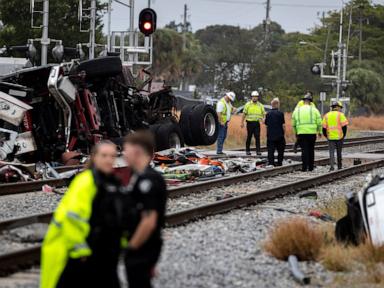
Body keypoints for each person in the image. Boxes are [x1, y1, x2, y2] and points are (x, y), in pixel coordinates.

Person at [41, 141, 122, 288]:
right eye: (104, 155)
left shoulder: (111, 182)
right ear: (95, 157)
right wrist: (81, 251)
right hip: (78, 254)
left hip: (102, 253)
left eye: (112, 156)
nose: (109, 160)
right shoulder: (85, 182)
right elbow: (72, 218)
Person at [122, 131, 167, 288]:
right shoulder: (140, 176)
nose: (124, 154)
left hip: (143, 245)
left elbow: (149, 220)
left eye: (126, 150)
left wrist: (131, 248)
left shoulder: (148, 180)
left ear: (137, 151)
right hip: (145, 245)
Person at [292, 93, 322, 172]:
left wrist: (296, 132)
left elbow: (293, 123)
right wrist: (320, 131)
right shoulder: (314, 110)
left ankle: (304, 167)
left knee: (304, 150)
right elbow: (319, 121)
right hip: (312, 133)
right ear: (310, 102)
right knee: (311, 150)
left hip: (301, 133)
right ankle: (311, 167)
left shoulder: (297, 110)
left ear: (303, 101)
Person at [322, 101, 349, 171]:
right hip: (339, 137)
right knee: (339, 152)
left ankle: (332, 167)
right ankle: (339, 166)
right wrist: (343, 135)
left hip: (330, 137)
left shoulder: (326, 115)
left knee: (331, 152)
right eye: (340, 107)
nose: (340, 109)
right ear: (337, 107)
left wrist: (326, 135)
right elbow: (344, 127)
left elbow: (323, 128)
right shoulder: (341, 115)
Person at [241, 91, 266, 155]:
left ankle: (258, 151)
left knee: (257, 137)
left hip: (257, 123)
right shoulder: (248, 104)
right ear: (251, 97)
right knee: (249, 136)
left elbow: (264, 113)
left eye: (256, 97)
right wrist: (242, 122)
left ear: (258, 97)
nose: (254, 98)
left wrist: (264, 119)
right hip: (249, 123)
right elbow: (244, 114)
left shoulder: (260, 105)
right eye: (253, 97)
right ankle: (247, 150)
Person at [265, 98, 285, 166]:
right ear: (277, 104)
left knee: (270, 150)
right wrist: (283, 133)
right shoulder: (281, 113)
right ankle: (280, 162)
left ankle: (271, 163)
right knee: (280, 150)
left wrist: (267, 134)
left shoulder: (268, 114)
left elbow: (266, 125)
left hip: (270, 135)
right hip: (279, 135)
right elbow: (283, 125)